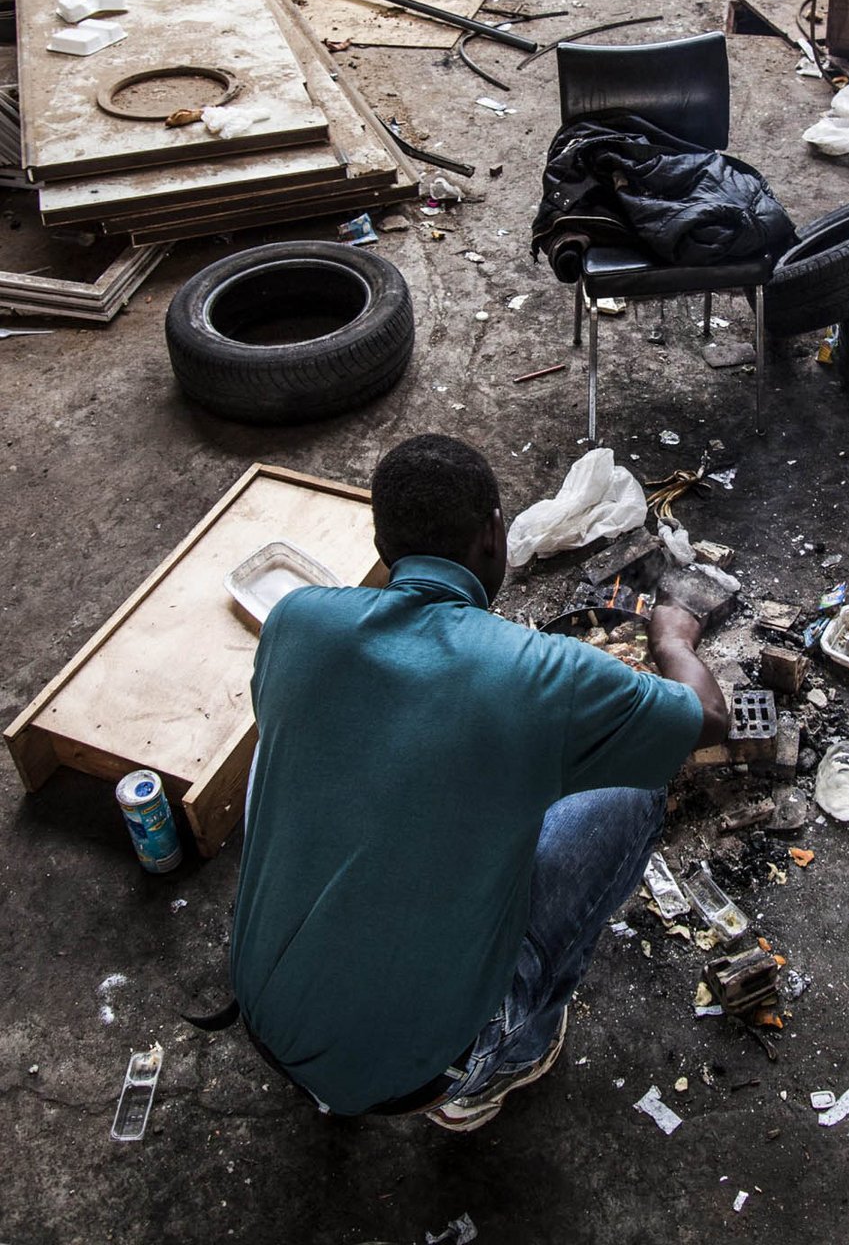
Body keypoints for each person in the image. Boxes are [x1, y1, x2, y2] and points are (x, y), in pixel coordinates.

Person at [229, 433, 727, 1128]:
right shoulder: (539, 672)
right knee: (635, 789)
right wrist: (672, 639)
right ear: (495, 533)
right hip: (415, 1069)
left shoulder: (297, 621)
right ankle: (504, 1056)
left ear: (383, 545)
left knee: (287, 748)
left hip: (265, 1016)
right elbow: (706, 717)